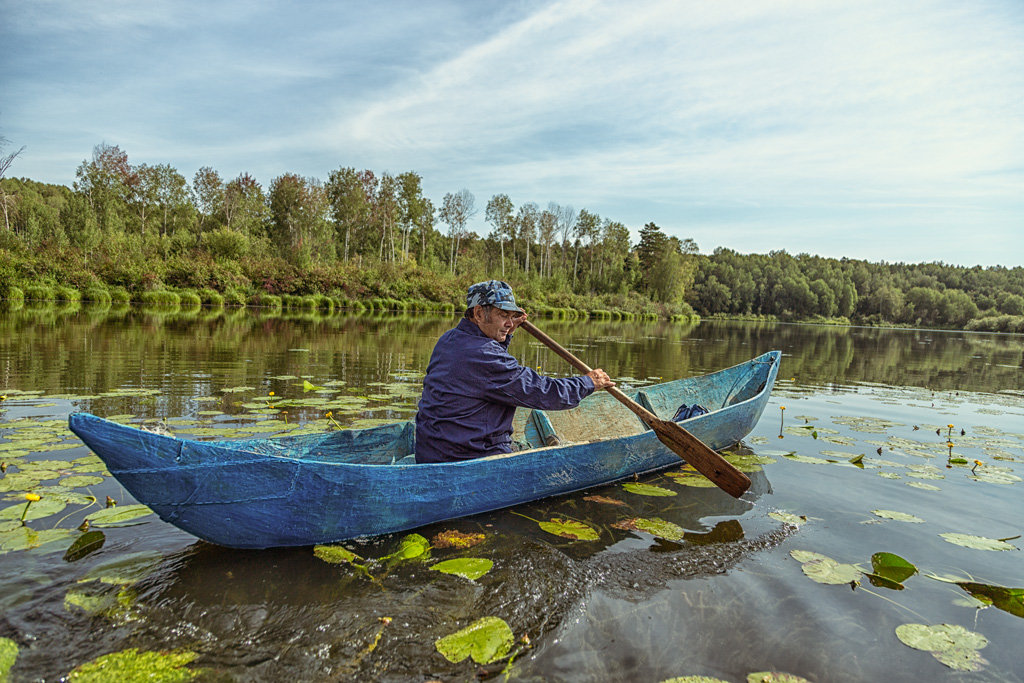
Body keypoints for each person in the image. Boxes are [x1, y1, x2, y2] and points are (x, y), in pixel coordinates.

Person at [414, 280, 615, 463]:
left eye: (512, 316)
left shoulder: (449, 339)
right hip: (468, 455)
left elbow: (486, 372)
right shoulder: (485, 355)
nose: (510, 323)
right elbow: (542, 392)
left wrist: (506, 332)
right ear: (478, 313)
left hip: (431, 450)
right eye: (503, 315)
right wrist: (588, 382)